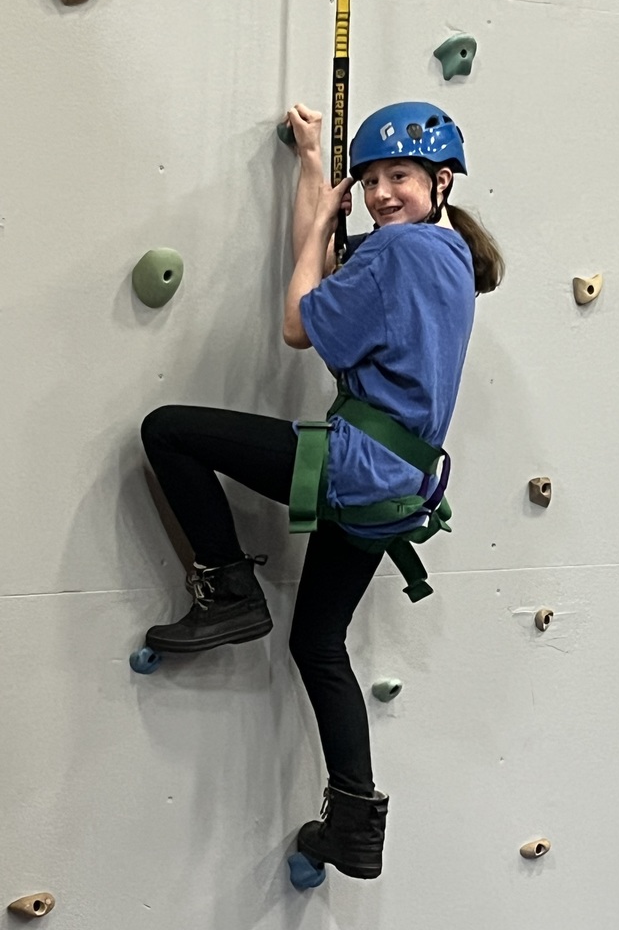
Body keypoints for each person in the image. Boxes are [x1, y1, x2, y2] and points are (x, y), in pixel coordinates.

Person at [139, 101, 504, 880]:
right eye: (370, 180)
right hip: (399, 492)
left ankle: (229, 588)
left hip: (353, 466)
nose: (381, 194)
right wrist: (314, 170)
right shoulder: (443, 257)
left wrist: (317, 222)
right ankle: (356, 820)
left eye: (398, 176)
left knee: (168, 429)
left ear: (441, 180)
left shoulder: (398, 254)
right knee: (318, 641)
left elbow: (299, 322)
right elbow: (334, 253)